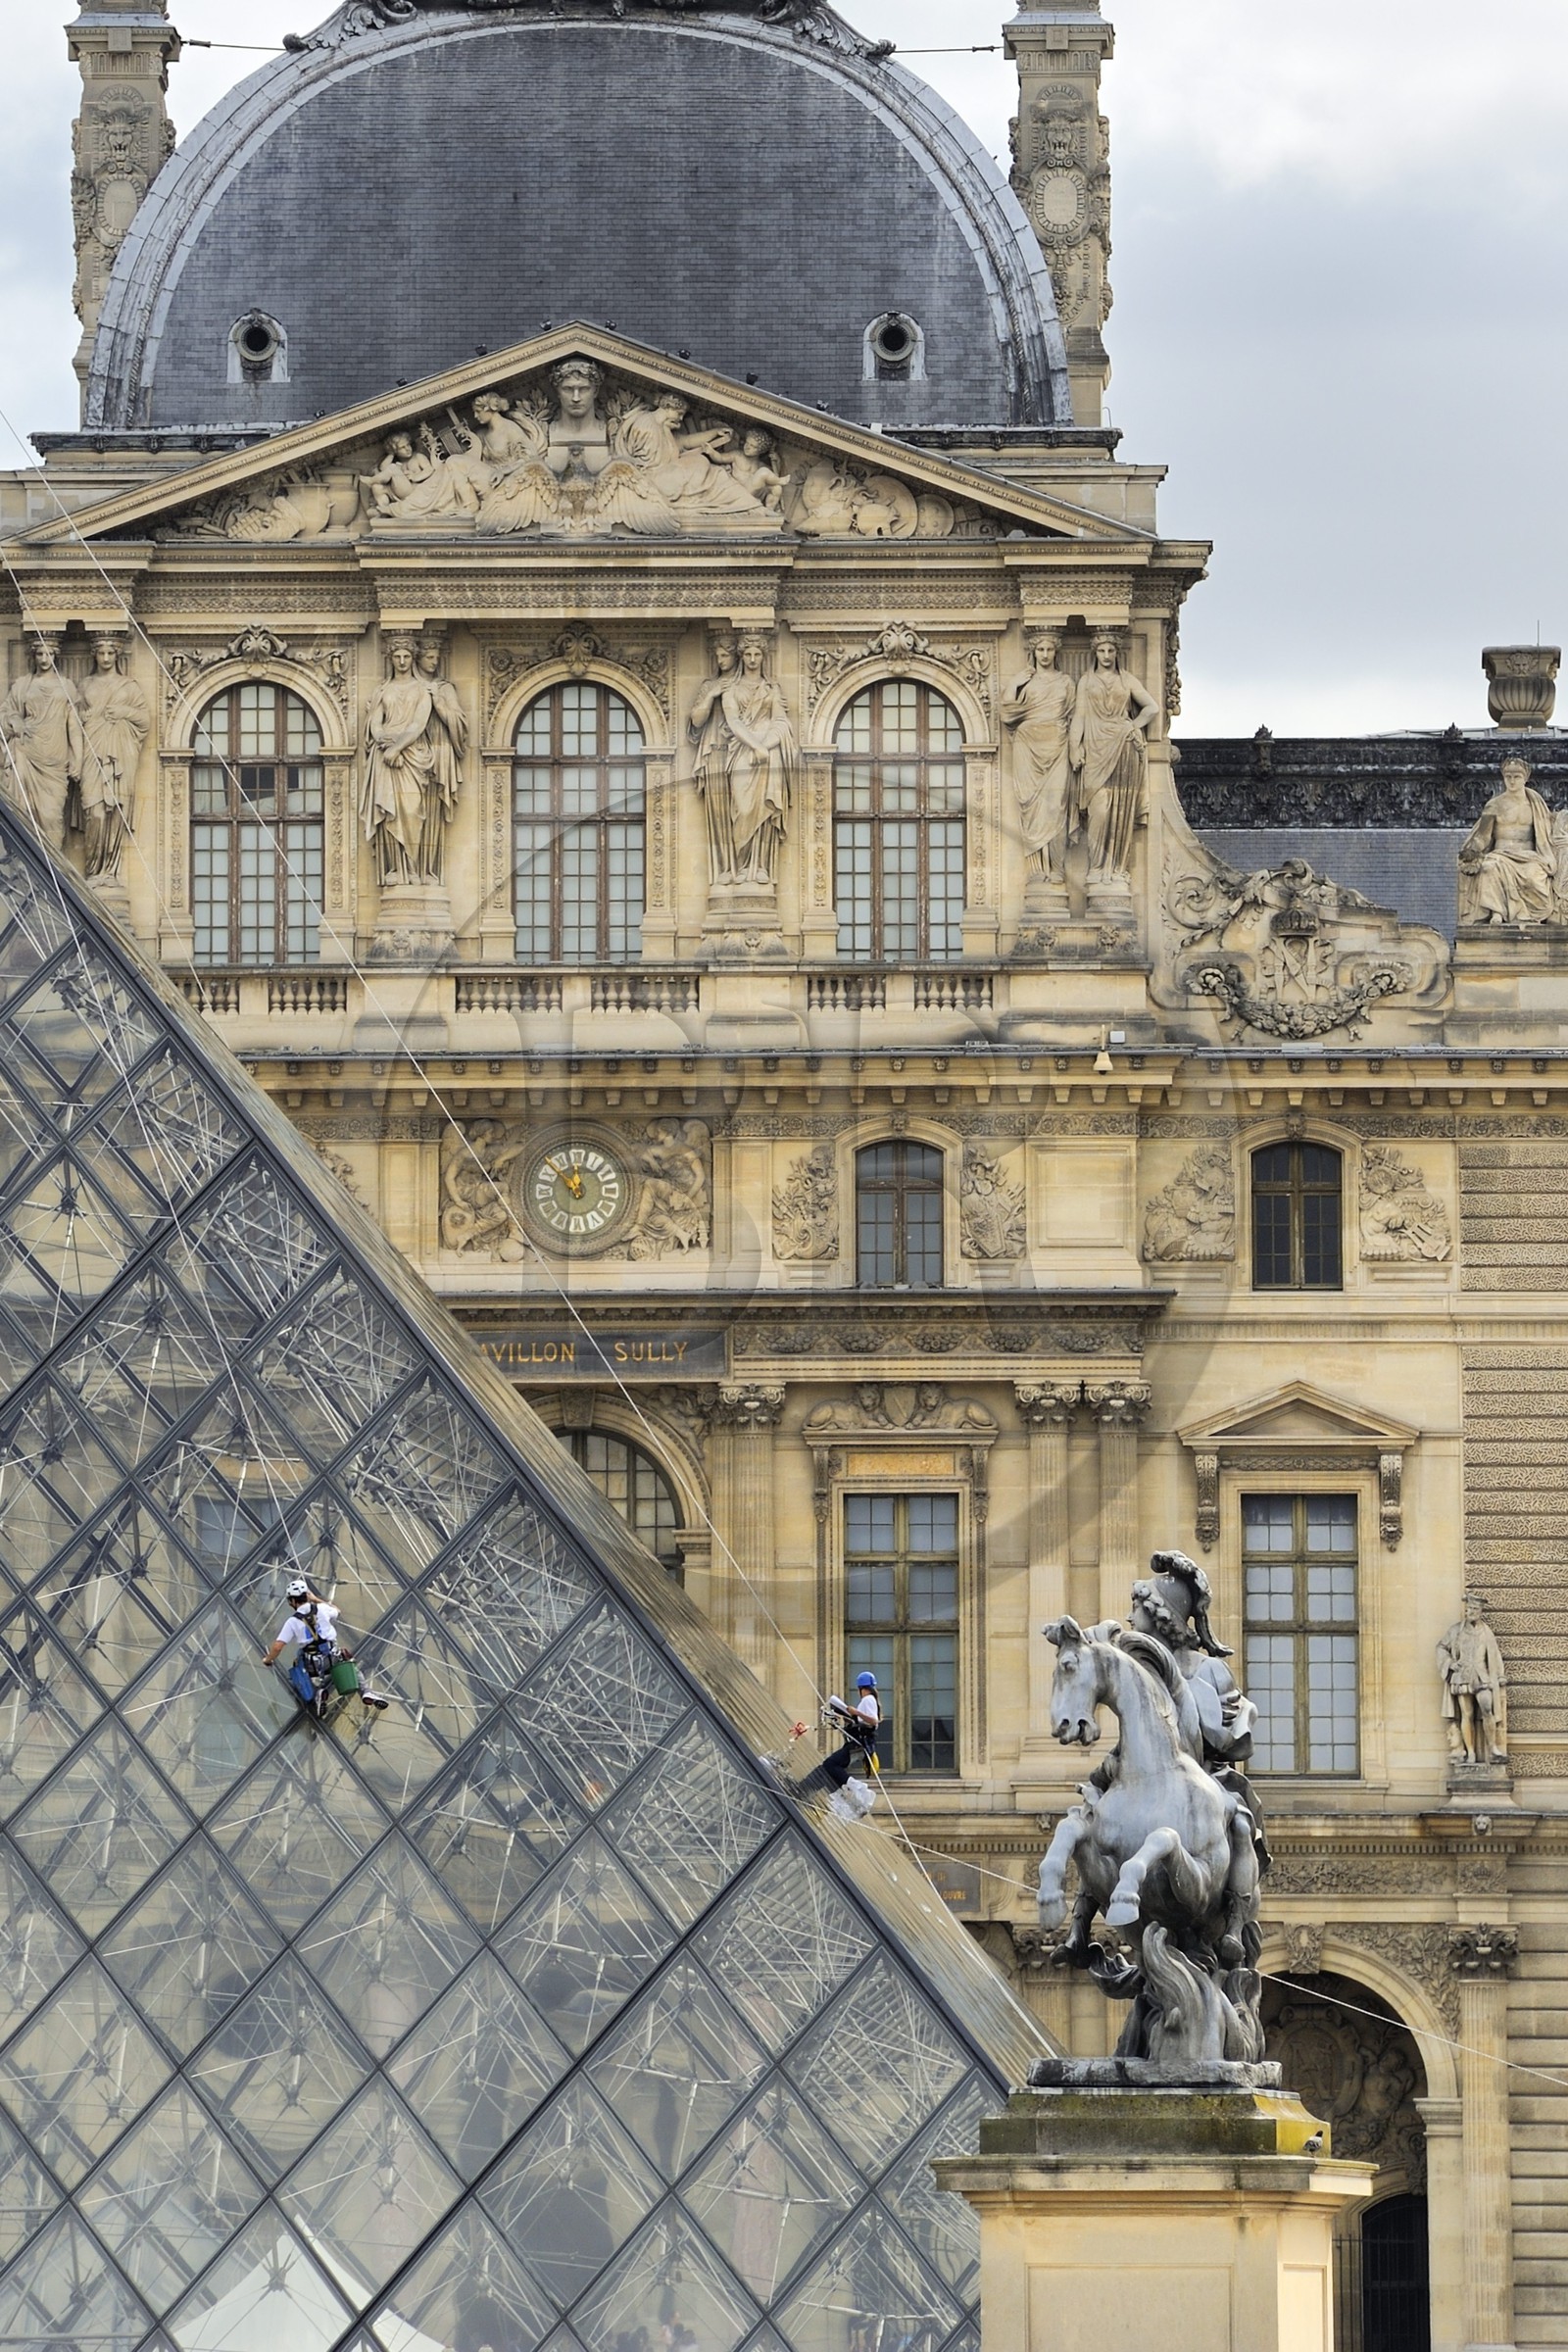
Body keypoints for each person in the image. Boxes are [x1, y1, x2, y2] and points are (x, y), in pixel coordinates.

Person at [262, 1577, 388, 1715]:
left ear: (292, 1601)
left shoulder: (292, 1622)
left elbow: (278, 1647)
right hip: (333, 1656)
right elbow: (337, 1611)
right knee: (351, 1667)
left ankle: (319, 1693)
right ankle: (365, 1692)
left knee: (300, 1664)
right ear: (307, 1595)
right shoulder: (322, 1609)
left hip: (313, 1664)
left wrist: (268, 1660)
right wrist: (316, 1599)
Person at [823, 1672, 881, 1788]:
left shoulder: (868, 1699)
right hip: (859, 1743)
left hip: (859, 1743)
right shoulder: (870, 1700)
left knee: (830, 1764)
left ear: (861, 1688)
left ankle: (855, 1788)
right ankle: (846, 1788)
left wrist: (856, 1712)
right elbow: (861, 1722)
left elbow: (874, 1721)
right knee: (832, 1764)